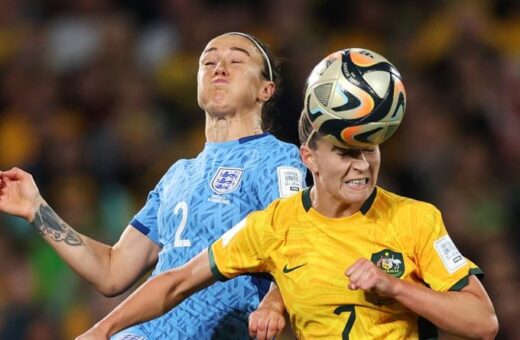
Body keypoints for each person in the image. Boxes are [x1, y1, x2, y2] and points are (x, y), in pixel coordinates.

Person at [73, 94, 499, 339]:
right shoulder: (274, 224)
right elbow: (177, 281)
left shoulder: (416, 219)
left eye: (369, 151)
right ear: (309, 158)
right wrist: (103, 330)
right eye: (346, 154)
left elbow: (483, 322)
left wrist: (396, 288)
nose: (362, 166)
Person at [0, 32, 306, 339]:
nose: (219, 68)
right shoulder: (178, 174)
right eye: (209, 61)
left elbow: (295, 242)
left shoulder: (275, 158)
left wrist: (274, 303)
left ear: (266, 89)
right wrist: (35, 208)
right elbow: (112, 269)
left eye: (237, 60)